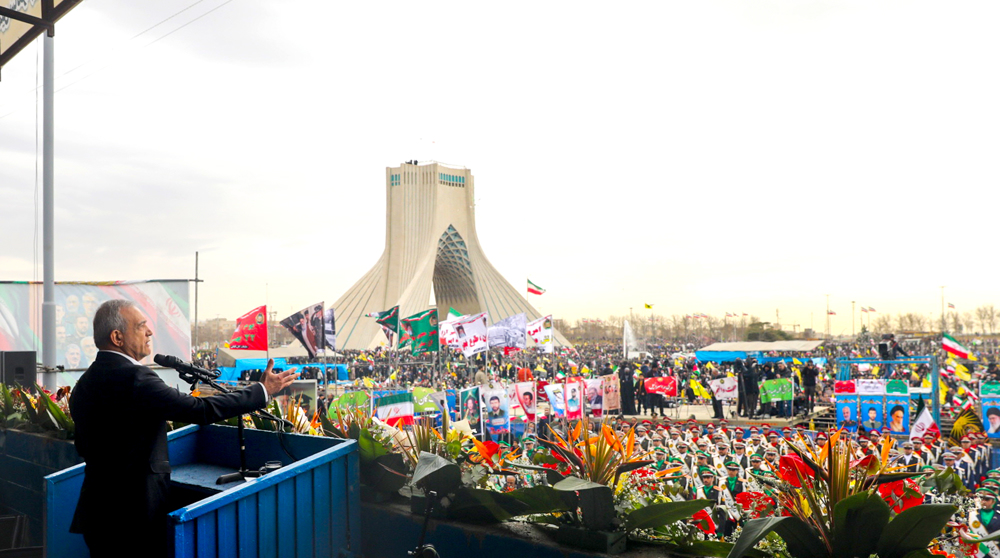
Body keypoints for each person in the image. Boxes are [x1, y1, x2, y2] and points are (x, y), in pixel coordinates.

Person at [69, 300, 298, 558]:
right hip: (134, 515)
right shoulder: (135, 378)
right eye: (141, 326)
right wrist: (261, 391)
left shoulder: (83, 384)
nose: (150, 332)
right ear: (117, 337)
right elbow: (200, 409)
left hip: (96, 513)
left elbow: (84, 445)